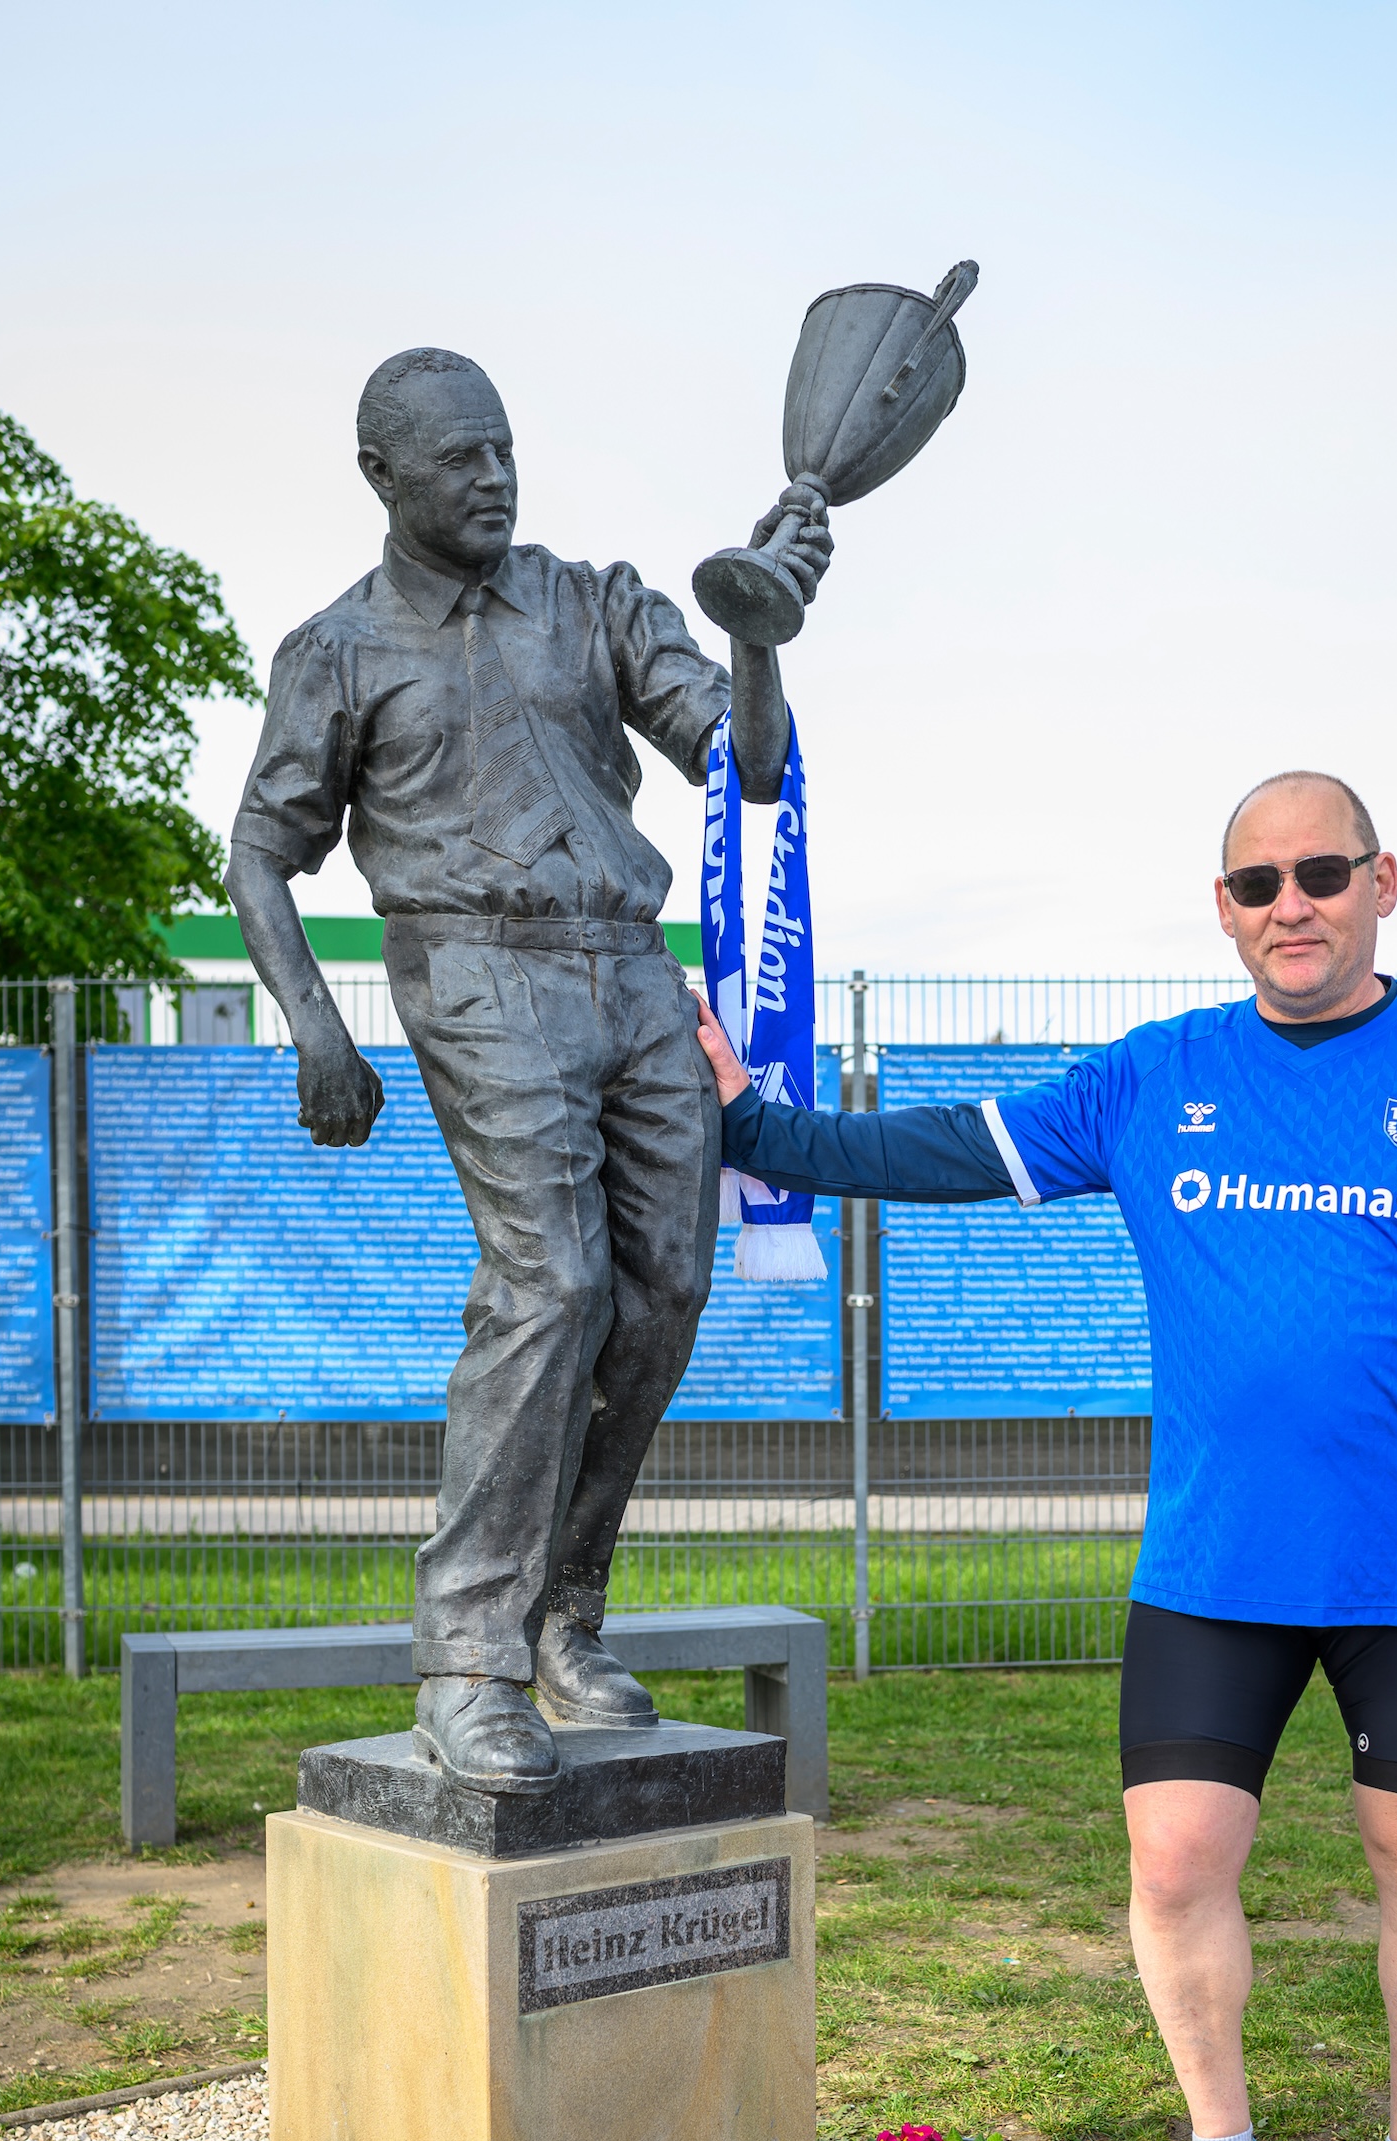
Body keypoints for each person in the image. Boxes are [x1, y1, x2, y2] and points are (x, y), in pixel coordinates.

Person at [692, 770, 1397, 2141]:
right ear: (1224, 909)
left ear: (1383, 881)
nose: (1292, 907)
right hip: (1213, 1561)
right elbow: (942, 1150)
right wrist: (753, 1124)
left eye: (1321, 874)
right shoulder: (1155, 1079)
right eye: (1257, 885)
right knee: (1176, 1860)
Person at [226, 346, 831, 1791]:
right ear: (383, 476)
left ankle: (566, 1611)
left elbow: (749, 767)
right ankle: (467, 1656)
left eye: (503, 451)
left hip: (629, 963)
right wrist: (317, 1023)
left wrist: (754, 633)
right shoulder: (341, 647)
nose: (494, 480)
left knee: (664, 1288)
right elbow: (260, 850)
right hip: (472, 964)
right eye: (459, 461)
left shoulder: (593, 599)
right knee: (551, 1282)